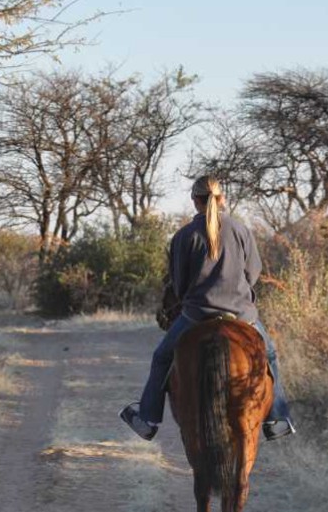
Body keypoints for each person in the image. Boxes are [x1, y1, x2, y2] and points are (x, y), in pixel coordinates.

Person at [119, 175, 294, 442]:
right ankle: (277, 418)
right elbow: (253, 272)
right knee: (269, 354)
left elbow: (179, 286)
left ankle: (148, 419)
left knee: (161, 358)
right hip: (241, 315)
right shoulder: (241, 230)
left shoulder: (183, 236)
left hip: (196, 316)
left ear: (195, 201)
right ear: (222, 198)